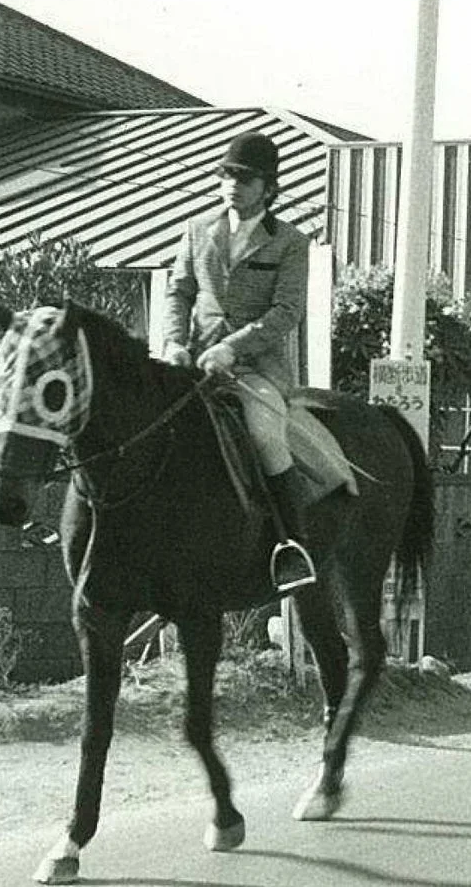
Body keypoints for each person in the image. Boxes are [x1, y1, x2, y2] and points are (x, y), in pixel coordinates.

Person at [163, 130, 314, 594]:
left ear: (268, 187)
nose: (232, 185)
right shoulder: (197, 229)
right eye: (226, 175)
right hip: (194, 364)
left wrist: (232, 348)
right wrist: (174, 342)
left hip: (255, 369)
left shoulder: (290, 242)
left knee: (266, 436)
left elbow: (287, 311)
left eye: (245, 178)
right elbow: (179, 292)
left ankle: (292, 546)